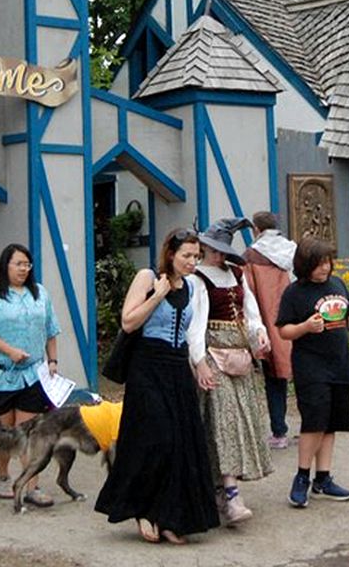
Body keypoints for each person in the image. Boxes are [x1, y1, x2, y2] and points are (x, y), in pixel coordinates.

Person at [95, 228, 220, 545]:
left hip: (178, 368)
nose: (192, 262)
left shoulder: (192, 286)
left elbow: (193, 332)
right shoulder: (147, 277)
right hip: (147, 367)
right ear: (171, 253)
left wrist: (198, 363)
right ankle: (144, 510)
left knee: (182, 443)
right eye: (186, 256)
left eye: (196, 256)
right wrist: (159, 294)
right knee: (157, 437)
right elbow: (128, 322)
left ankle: (170, 517)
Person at [276, 237, 349, 508]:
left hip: (339, 364)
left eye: (327, 262)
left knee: (331, 422)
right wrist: (304, 327)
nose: (325, 268)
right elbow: (283, 330)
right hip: (311, 367)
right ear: (305, 265)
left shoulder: (337, 284)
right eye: (318, 264)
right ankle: (302, 476)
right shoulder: (294, 293)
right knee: (314, 421)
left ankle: (322, 479)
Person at [189, 217, 274, 525]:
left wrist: (259, 334)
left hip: (239, 355)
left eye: (221, 251)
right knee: (223, 420)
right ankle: (231, 494)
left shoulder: (238, 274)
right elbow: (195, 325)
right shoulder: (197, 279)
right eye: (213, 250)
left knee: (240, 419)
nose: (217, 256)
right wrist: (199, 361)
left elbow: (251, 314)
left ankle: (221, 490)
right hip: (213, 355)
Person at [0, 243, 61, 509]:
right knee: (4, 431)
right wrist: (9, 351)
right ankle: (3, 477)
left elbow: (51, 328)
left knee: (30, 432)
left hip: (33, 374)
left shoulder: (39, 293)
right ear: (5, 265)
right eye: (18, 264)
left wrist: (53, 360)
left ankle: (32, 486)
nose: (23, 269)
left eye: (27, 264)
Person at [245, 210, 296, 449]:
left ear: (257, 230)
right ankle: (312, 427)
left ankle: (279, 431)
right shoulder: (294, 250)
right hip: (298, 320)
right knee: (303, 374)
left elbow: (249, 294)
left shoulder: (252, 255)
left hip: (269, 322)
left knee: (274, 377)